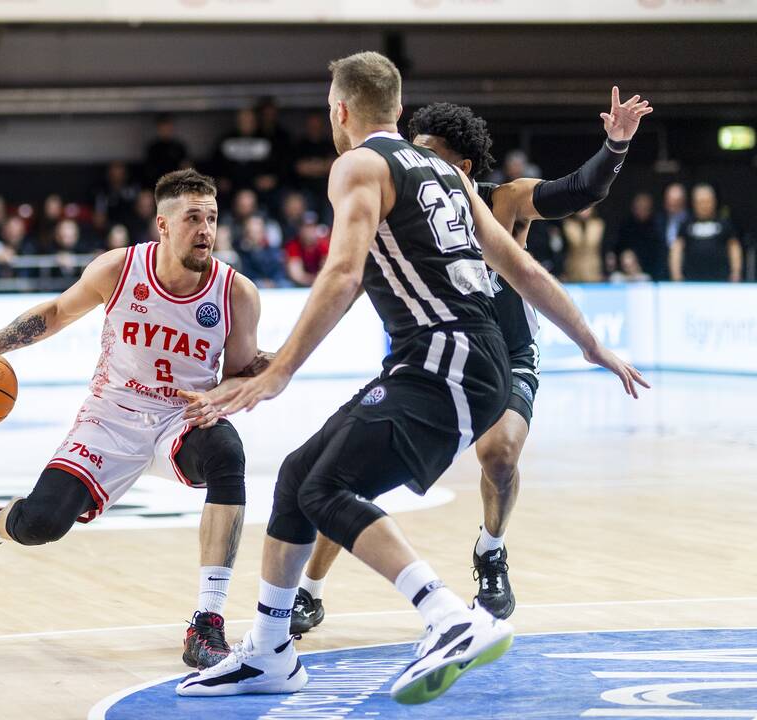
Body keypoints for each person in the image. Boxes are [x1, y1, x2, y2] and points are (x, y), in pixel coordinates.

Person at [175, 52, 648, 703]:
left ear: (339, 111)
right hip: (453, 359)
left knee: (329, 488)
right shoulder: (451, 179)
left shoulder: (358, 165)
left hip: (443, 357)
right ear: (397, 110)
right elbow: (524, 271)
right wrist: (592, 344)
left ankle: (449, 616)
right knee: (297, 476)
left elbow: (342, 275)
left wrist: (280, 370)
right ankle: (268, 651)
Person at [287, 90, 652, 635]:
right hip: (428, 357)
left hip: (504, 355)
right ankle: (310, 588)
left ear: (460, 166)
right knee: (349, 473)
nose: (413, 161)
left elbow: (578, 191)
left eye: (428, 153)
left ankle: (492, 550)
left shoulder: (502, 201)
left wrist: (615, 145)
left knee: (499, 455)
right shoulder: (399, 197)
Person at [0, 169, 268, 671]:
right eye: (193, 218)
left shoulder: (236, 293)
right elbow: (59, 313)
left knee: (227, 454)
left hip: (181, 417)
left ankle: (207, 622)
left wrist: (222, 398)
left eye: (212, 218)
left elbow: (237, 374)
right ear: (164, 225)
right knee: (41, 524)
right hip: (112, 417)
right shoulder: (120, 269)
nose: (206, 230)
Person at [670, 183, 742, 282]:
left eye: (707, 201)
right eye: (700, 202)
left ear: (714, 202)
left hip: (721, 281)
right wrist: (676, 274)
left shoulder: (724, 223)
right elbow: (677, 249)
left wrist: (736, 272)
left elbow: (734, 247)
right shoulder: (686, 224)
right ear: (694, 203)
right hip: (691, 282)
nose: (704, 206)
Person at [653, 183, 689, 280]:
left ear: (683, 201)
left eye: (676, 201)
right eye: (669, 200)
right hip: (661, 272)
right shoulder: (658, 220)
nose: (672, 204)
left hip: (686, 271)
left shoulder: (690, 221)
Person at [561, 206, 606, 282]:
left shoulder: (599, 225)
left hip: (594, 271)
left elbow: (604, 249)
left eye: (587, 208)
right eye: (582, 208)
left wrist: (605, 271)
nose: (584, 211)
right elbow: (562, 249)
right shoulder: (567, 225)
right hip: (572, 271)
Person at [284, 213, 329, 287]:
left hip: (320, 284)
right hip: (299, 286)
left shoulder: (323, 244)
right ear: (300, 229)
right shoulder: (293, 246)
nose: (309, 231)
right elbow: (297, 275)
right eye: (306, 227)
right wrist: (315, 280)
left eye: (312, 227)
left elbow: (328, 269)